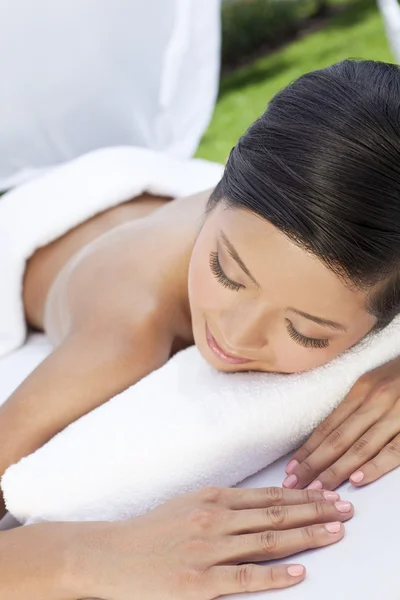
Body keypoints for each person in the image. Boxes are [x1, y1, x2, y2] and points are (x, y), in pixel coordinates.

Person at [0, 58, 399, 596]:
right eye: (224, 272)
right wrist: (84, 557)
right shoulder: (124, 336)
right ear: (217, 197)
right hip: (43, 212)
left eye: (306, 332)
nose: (235, 336)